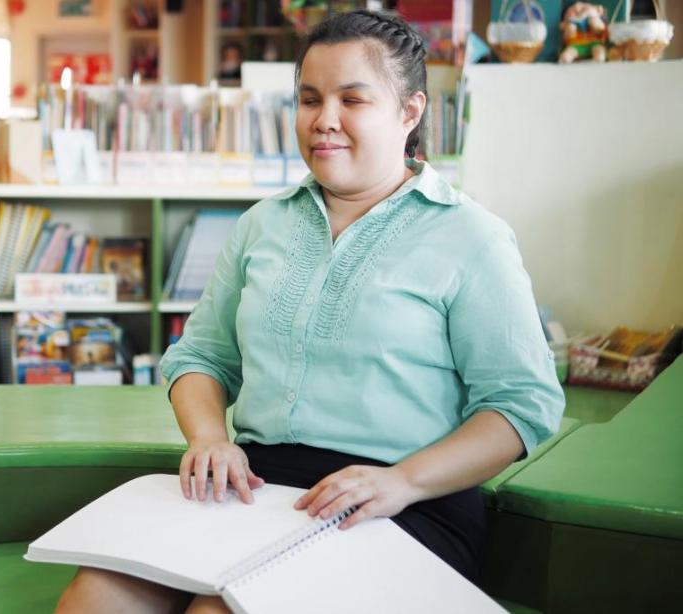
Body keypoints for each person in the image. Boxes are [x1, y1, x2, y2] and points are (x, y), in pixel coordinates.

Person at [55, 9, 564, 614]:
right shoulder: (261, 224)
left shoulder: (472, 237)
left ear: (410, 112)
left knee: (218, 612)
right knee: (95, 597)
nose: (324, 121)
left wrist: (401, 481)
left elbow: (519, 406)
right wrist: (212, 438)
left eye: (353, 100)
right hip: (257, 488)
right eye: (309, 98)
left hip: (405, 503)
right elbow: (201, 357)